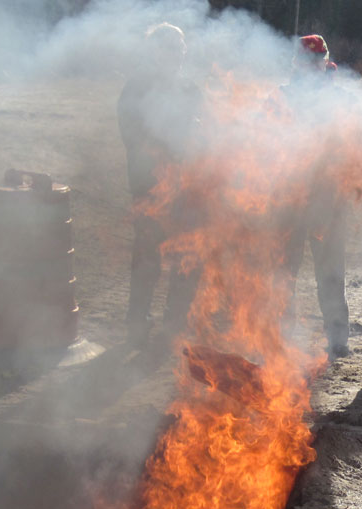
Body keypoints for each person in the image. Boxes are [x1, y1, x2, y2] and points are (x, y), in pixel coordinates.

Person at [117, 22, 203, 346]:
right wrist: (179, 133)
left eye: (181, 49)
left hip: (187, 190)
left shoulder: (191, 90)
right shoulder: (137, 89)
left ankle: (175, 321)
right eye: (171, 49)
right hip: (149, 188)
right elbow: (135, 137)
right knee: (147, 259)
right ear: (155, 51)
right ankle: (137, 323)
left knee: (188, 258)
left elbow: (203, 134)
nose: (178, 55)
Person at [277, 35, 350, 359]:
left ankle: (336, 337)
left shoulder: (338, 98)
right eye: (307, 62)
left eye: (317, 61)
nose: (312, 67)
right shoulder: (281, 97)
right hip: (287, 198)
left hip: (328, 199)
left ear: (324, 61)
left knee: (331, 272)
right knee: (283, 272)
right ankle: (280, 335)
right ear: (296, 64)